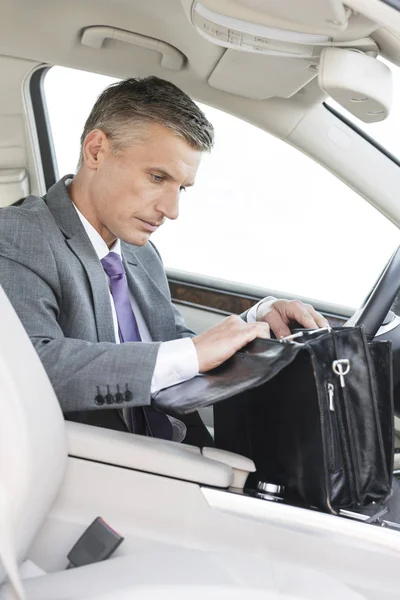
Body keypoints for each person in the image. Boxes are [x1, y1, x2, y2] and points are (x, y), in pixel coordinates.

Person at [0, 76, 328, 446]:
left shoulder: (140, 251)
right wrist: (191, 353)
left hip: (182, 452)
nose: (171, 211)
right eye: (157, 177)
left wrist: (252, 326)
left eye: (181, 188)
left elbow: (174, 345)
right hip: (101, 470)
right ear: (96, 151)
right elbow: (33, 367)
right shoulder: (18, 235)